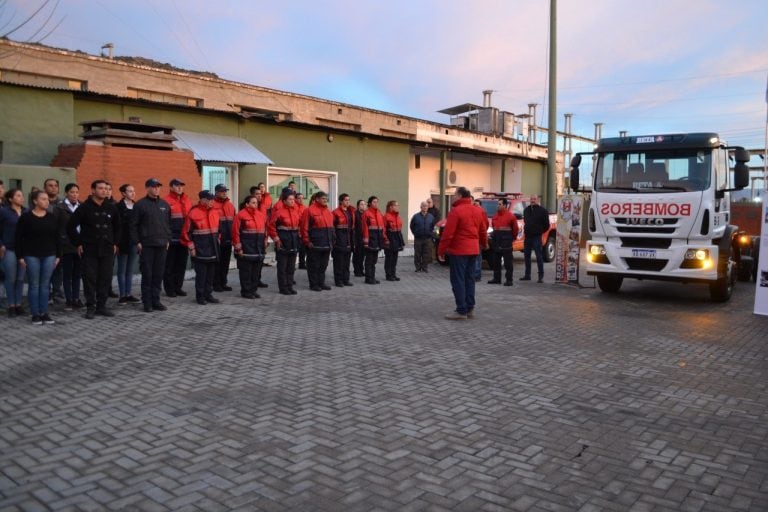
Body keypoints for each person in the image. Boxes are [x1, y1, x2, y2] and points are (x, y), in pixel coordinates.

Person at [67, 180, 121, 319]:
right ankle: (90, 306)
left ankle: (101, 306)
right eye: (100, 188)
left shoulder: (111, 207)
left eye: (106, 188)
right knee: (89, 278)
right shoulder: (84, 207)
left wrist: (115, 242)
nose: (104, 191)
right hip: (89, 248)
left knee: (105, 278)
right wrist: (78, 243)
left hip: (107, 249)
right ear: (93, 190)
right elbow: (70, 227)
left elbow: (118, 227)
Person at [437, 186, 489, 320]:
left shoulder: (456, 211)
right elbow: (483, 230)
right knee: (470, 279)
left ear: (460, 196)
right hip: (474, 250)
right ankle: (470, 308)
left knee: (458, 280)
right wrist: (484, 244)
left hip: (459, 250)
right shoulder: (478, 210)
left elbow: (448, 234)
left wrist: (441, 250)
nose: (453, 196)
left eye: (454, 194)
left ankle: (461, 310)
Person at [15, 190, 61, 325]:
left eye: (47, 199)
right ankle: (35, 314)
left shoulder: (52, 217)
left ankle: (44, 312)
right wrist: (20, 256)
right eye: (43, 199)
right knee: (34, 285)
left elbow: (57, 237)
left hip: (49, 254)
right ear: (35, 201)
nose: (47, 201)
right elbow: (19, 238)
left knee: (45, 285)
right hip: (31, 255)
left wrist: (58, 255)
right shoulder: (26, 217)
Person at [131, 178, 172, 313]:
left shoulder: (164, 205)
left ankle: (156, 301)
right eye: (154, 187)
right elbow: (133, 225)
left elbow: (167, 224)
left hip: (161, 245)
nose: (156, 189)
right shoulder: (140, 205)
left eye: (158, 187)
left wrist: (167, 240)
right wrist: (137, 242)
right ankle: (147, 303)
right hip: (147, 245)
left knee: (158, 274)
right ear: (147, 188)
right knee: (147, 274)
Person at [181, 190, 221, 305]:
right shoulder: (193, 213)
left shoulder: (215, 212)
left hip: (213, 248)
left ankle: (208, 294)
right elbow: (186, 233)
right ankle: (200, 296)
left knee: (210, 275)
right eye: (209, 199)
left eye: (212, 199)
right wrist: (191, 247)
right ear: (202, 200)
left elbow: (219, 229)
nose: (212, 201)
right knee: (201, 275)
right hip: (200, 249)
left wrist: (218, 239)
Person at [232, 194, 268, 299]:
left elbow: (265, 230)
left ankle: (253, 290)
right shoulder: (240, 215)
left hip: (258, 247)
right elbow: (235, 233)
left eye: (256, 202)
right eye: (253, 202)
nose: (255, 204)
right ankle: (246, 291)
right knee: (246, 271)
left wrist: (265, 241)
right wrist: (238, 248)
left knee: (256, 272)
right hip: (246, 247)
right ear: (247, 204)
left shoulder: (261, 215)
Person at [56, 183, 84, 309]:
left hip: (80, 244)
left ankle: (76, 298)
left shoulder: (82, 206)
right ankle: (69, 299)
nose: (75, 195)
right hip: (66, 244)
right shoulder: (60, 207)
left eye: (77, 192)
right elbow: (56, 227)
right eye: (72, 192)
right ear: (66, 193)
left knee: (77, 274)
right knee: (67, 274)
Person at [163, 178, 192, 298]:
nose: (180, 188)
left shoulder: (187, 200)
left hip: (184, 238)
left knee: (181, 264)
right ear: (171, 187)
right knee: (170, 265)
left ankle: (178, 287)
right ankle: (169, 289)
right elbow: (164, 221)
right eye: (177, 186)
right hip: (171, 239)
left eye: (181, 185)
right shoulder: (165, 200)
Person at [0, 188, 27, 317]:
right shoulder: (4, 212)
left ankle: (18, 304)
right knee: (11, 278)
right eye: (18, 196)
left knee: (21, 278)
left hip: (24, 249)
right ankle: (11, 305)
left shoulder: (26, 212)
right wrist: (1, 244)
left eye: (22, 195)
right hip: (9, 248)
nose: (21, 198)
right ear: (10, 199)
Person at [300, 191, 334, 291]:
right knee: (314, 265)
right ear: (317, 199)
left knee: (323, 265)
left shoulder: (328, 211)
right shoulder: (309, 210)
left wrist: (332, 241)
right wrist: (307, 241)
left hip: (326, 244)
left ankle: (321, 283)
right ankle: (314, 284)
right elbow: (304, 227)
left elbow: (331, 228)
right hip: (314, 244)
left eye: (326, 199)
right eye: (323, 199)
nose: (325, 200)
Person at [268, 191, 301, 295]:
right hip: (282, 242)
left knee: (291, 267)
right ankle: (283, 288)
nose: (292, 201)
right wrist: (276, 239)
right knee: (282, 267)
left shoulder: (296, 212)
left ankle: (290, 286)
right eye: (290, 200)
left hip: (293, 242)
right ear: (284, 201)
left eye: (293, 199)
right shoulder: (278, 212)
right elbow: (271, 227)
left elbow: (299, 226)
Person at [115, 183, 140, 305]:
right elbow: (116, 226)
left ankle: (129, 293)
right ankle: (122, 295)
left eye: (133, 191)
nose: (133, 193)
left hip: (134, 242)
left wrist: (139, 241)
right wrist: (117, 243)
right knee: (122, 269)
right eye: (130, 191)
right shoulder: (118, 207)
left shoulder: (136, 206)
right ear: (123, 193)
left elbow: (139, 225)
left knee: (130, 269)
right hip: (122, 242)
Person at [488, 197, 519, 286]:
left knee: (508, 263)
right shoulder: (495, 216)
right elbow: (494, 228)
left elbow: (515, 230)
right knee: (496, 262)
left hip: (506, 242)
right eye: (498, 204)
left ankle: (509, 280)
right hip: (497, 242)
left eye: (499, 204)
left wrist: (512, 238)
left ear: (505, 205)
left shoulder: (510, 216)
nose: (498, 206)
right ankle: (497, 278)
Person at [521, 194, 550, 283]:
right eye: (531, 199)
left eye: (534, 199)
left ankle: (540, 276)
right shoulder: (526, 210)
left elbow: (547, 225)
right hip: (528, 237)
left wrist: (540, 231)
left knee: (539, 256)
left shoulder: (543, 211)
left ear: (538, 200)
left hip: (537, 237)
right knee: (526, 256)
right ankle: (527, 275)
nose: (532, 200)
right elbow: (525, 221)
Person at [43, 178, 64, 302]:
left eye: (55, 185)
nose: (53, 188)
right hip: (46, 241)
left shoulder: (62, 203)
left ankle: (57, 291)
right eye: (50, 185)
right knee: (47, 268)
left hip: (61, 240)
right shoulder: (41, 202)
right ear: (45, 188)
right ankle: (48, 292)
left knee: (59, 267)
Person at [211, 184, 235, 292]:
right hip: (217, 239)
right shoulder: (213, 204)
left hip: (228, 238)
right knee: (217, 263)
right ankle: (216, 283)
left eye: (225, 191)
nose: (224, 193)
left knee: (225, 263)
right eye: (222, 191)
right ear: (216, 192)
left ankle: (223, 282)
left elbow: (234, 222)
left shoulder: (230, 205)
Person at [361, 196, 388, 285]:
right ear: (369, 203)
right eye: (374, 202)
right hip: (370, 241)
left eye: (377, 202)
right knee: (369, 260)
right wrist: (366, 242)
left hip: (377, 240)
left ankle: (372, 277)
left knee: (374, 261)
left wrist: (384, 238)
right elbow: (365, 228)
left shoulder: (379, 213)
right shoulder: (367, 213)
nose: (376, 203)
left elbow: (382, 228)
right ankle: (368, 278)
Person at [332, 193, 355, 287]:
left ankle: (346, 279)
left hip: (348, 240)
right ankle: (338, 280)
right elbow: (332, 228)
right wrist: (335, 240)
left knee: (346, 262)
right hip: (339, 240)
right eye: (346, 200)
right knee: (339, 262)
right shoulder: (335, 212)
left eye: (349, 200)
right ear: (341, 201)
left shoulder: (350, 212)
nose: (348, 201)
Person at [410, 201, 435, 272]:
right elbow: (412, 226)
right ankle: (417, 268)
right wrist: (415, 233)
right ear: (420, 207)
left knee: (426, 254)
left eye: (426, 206)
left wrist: (431, 234)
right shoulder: (416, 216)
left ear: (428, 207)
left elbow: (433, 227)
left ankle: (425, 268)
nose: (425, 207)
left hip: (427, 239)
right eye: (423, 206)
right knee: (417, 253)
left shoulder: (431, 217)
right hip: (418, 238)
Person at [383, 199, 404, 281]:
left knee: (395, 258)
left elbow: (399, 228)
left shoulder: (397, 216)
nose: (397, 207)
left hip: (396, 237)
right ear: (391, 207)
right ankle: (388, 275)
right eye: (396, 205)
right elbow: (383, 229)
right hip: (390, 237)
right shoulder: (386, 216)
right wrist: (385, 239)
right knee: (389, 258)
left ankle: (393, 274)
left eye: (397, 205)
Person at [352, 199, 367, 277]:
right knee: (357, 255)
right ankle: (357, 271)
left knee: (362, 255)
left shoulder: (366, 214)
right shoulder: (355, 214)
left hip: (364, 238)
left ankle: (361, 270)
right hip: (357, 237)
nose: (363, 206)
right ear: (358, 206)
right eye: (361, 204)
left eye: (364, 204)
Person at [295, 192, 308, 269]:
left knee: (303, 249)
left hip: (302, 231)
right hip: (294, 231)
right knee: (294, 250)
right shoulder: (293, 207)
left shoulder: (305, 208)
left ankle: (302, 264)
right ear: (296, 199)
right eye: (299, 198)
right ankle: (291, 265)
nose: (301, 200)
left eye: (302, 198)